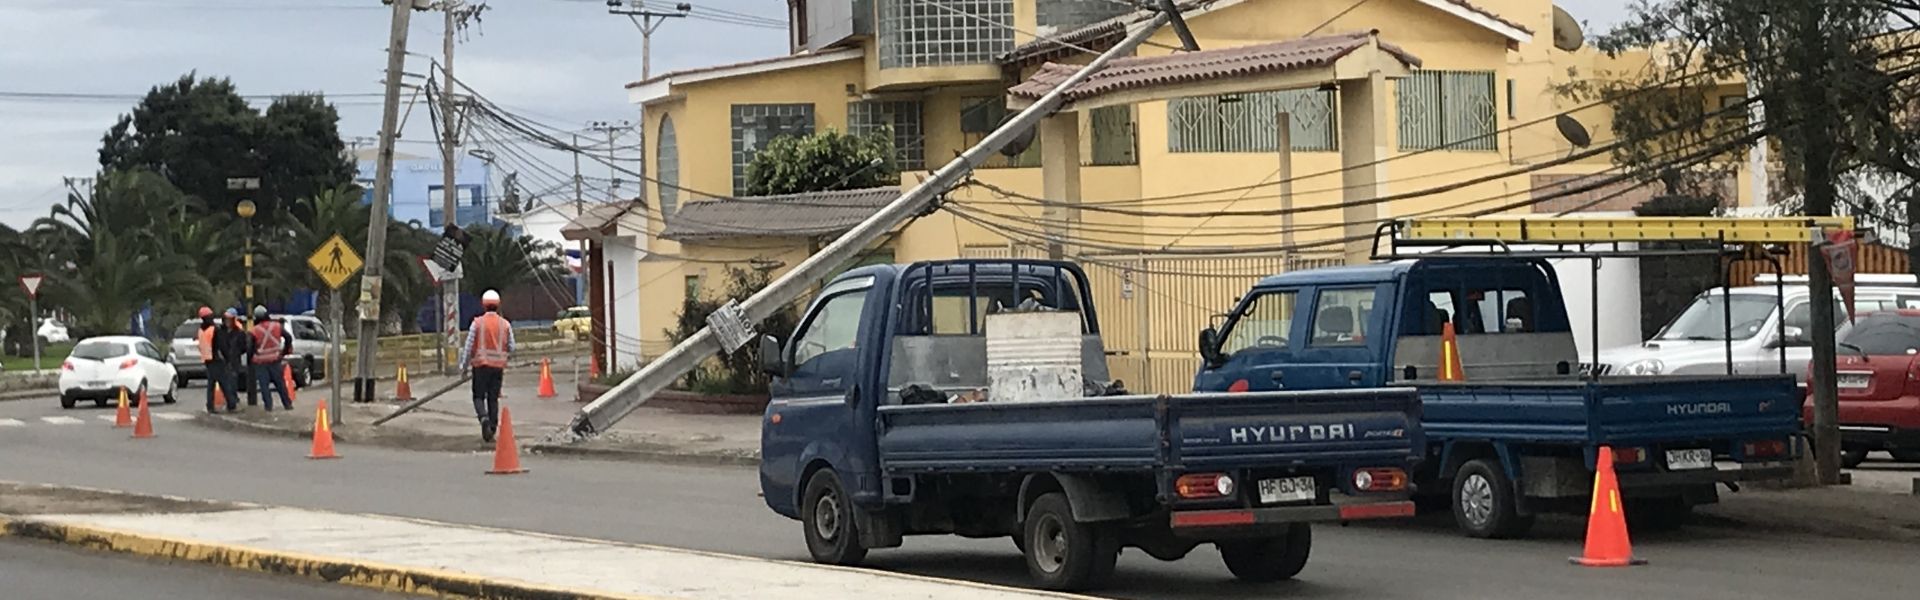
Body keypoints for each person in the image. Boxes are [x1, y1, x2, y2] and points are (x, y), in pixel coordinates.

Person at [458, 290, 515, 442]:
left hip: (480, 366)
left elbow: (468, 347)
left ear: (483, 305)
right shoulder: (505, 324)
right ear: (498, 305)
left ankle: (483, 418)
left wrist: (463, 367)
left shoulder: (477, 323)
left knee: (478, 396)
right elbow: (512, 346)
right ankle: (493, 427)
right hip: (498, 367)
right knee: (493, 398)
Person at [248, 306, 295, 411]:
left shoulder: (254, 330)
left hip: (260, 362)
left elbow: (249, 347)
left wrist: (251, 358)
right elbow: (288, 337)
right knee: (280, 383)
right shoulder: (277, 326)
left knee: (264, 386)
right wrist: (285, 351)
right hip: (275, 359)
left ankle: (268, 406)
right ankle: (287, 404)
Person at [197, 307, 237, 413]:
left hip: (207, 360)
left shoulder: (201, 330)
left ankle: (210, 406)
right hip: (216, 359)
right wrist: (228, 358)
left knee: (211, 384)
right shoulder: (214, 329)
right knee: (224, 383)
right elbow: (222, 346)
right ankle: (231, 405)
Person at [217, 309, 252, 410]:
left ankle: (233, 401)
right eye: (226, 319)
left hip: (234, 360)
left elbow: (244, 346)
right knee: (224, 382)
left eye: (229, 319)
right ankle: (230, 401)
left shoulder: (239, 333)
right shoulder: (220, 331)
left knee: (232, 381)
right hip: (223, 360)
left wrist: (236, 353)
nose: (227, 321)